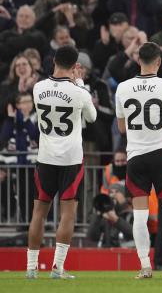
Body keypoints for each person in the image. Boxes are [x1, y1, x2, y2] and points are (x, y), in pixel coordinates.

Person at [115, 42, 162, 278]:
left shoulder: (123, 88)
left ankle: (145, 266)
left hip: (136, 156)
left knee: (140, 215)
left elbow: (122, 128)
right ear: (158, 62)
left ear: (138, 60)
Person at [26, 45, 97, 279]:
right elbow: (92, 117)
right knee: (68, 213)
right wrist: (79, 84)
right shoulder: (78, 92)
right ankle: (57, 267)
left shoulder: (38, 88)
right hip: (71, 158)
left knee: (39, 212)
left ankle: (31, 268)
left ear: (54, 60)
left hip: (45, 157)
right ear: (76, 65)